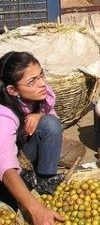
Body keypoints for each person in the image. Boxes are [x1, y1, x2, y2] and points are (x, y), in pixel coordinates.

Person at [0, 52, 64, 224]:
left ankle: (44, 184)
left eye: (41, 75)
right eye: (32, 81)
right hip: (5, 166)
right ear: (12, 90)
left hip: (20, 153)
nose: (42, 83)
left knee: (50, 124)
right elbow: (5, 166)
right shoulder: (3, 115)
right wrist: (34, 209)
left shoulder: (39, 90)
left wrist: (39, 113)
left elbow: (50, 106)